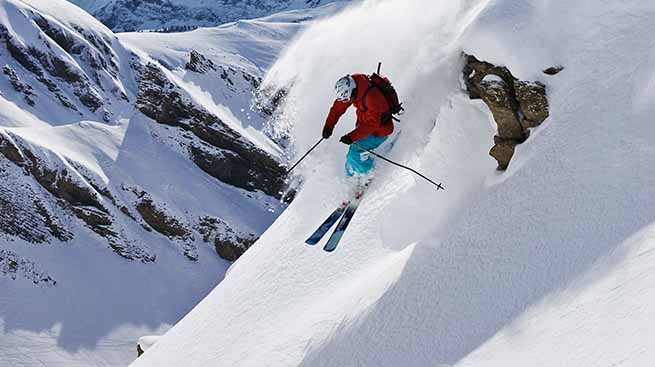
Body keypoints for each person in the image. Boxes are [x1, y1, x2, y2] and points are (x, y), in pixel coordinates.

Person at [321, 74, 396, 186]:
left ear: (353, 91)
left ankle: (368, 177)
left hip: (379, 131)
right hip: (365, 126)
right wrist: (328, 127)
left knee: (355, 153)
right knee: (350, 158)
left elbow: (373, 124)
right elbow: (337, 109)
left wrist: (352, 137)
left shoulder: (372, 97)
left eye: (347, 99)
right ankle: (352, 182)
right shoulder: (354, 87)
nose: (346, 101)